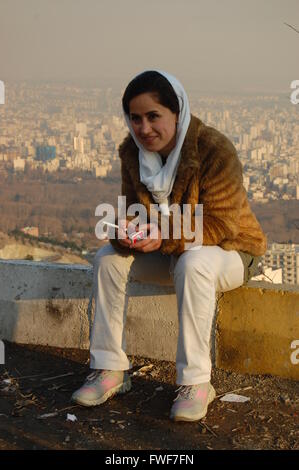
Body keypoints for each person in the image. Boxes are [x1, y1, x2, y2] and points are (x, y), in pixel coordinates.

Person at [72, 70, 267, 422]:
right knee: (108, 259)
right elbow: (134, 211)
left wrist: (164, 235)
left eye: (153, 116)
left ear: (176, 113)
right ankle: (109, 368)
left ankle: (196, 383)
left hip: (231, 252)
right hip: (172, 252)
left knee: (194, 263)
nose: (144, 128)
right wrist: (125, 232)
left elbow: (223, 224)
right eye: (135, 118)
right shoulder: (133, 153)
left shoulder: (212, 149)